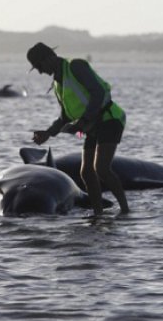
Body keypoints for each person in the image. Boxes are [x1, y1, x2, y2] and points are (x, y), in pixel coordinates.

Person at [26, 42, 129, 215]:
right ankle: (98, 214)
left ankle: (125, 211)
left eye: (39, 66)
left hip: (110, 119)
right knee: (86, 172)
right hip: (91, 126)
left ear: (49, 57)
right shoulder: (57, 84)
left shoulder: (76, 66)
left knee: (101, 168)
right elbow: (64, 117)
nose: (40, 71)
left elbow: (99, 93)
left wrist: (84, 120)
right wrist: (48, 133)